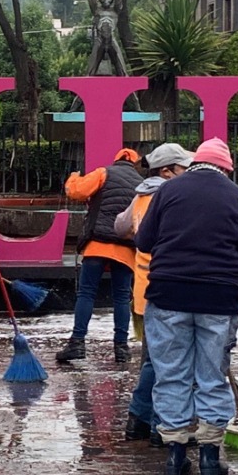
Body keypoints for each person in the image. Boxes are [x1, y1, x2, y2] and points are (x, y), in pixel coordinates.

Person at [137, 138, 238, 475]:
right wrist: (230, 277)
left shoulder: (168, 191)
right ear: (225, 169)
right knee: (212, 374)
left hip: (168, 294)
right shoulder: (237, 196)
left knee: (171, 373)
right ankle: (209, 458)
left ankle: (175, 456)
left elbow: (144, 240)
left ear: (194, 164)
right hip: (219, 298)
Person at [112, 143, 192, 442]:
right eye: (183, 168)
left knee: (153, 359)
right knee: (166, 362)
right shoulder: (171, 196)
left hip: (142, 289)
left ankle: (139, 420)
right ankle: (161, 424)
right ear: (167, 171)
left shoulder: (141, 195)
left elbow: (120, 226)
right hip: (166, 287)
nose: (188, 172)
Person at [57, 148, 143, 366]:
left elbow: (76, 192)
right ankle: (121, 348)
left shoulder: (104, 173)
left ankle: (77, 343)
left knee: (86, 293)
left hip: (98, 244)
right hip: (125, 248)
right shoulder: (141, 184)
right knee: (121, 297)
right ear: (134, 163)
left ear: (116, 160)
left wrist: (73, 177)